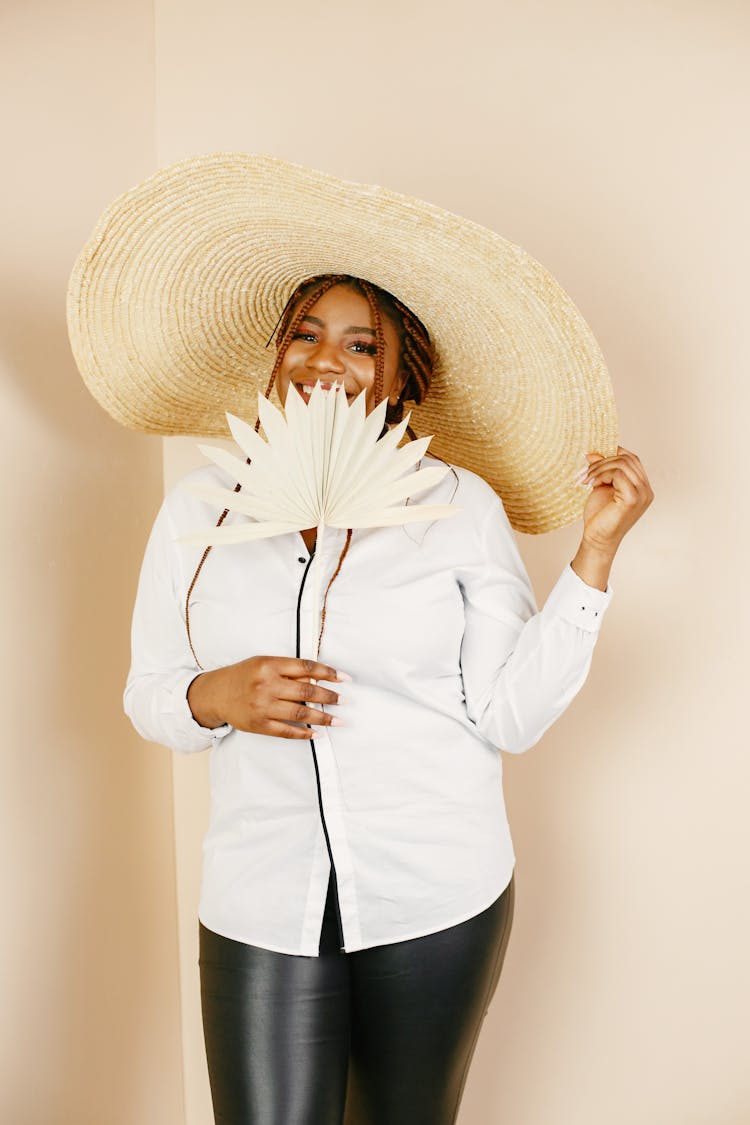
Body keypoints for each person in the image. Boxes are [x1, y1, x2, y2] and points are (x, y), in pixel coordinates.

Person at [67, 156, 654, 1125]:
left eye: (359, 344)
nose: (324, 359)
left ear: (397, 379)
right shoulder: (198, 511)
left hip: (437, 898)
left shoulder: (458, 507)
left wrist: (593, 557)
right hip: (260, 901)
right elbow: (149, 691)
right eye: (305, 333)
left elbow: (508, 711)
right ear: (276, 356)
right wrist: (220, 697)